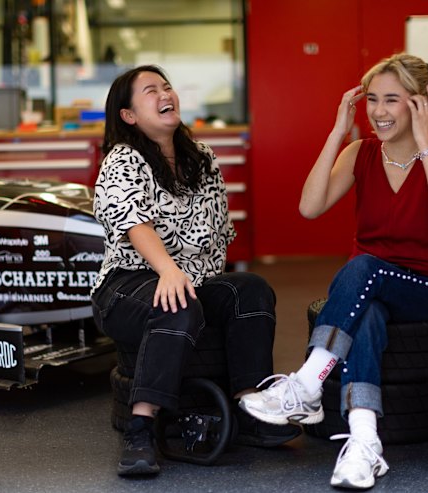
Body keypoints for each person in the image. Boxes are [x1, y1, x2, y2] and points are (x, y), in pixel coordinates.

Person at [239, 53, 428, 489]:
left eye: (392, 100)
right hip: (370, 290)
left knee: (364, 268)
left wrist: (425, 141)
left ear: (421, 103)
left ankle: (307, 383)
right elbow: (309, 207)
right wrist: (336, 133)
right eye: (372, 100)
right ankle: (364, 442)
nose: (378, 111)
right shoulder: (360, 153)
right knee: (367, 316)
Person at [91, 65, 299, 477]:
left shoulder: (201, 158)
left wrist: (208, 293)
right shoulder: (123, 159)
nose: (165, 93)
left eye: (166, 86)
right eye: (151, 90)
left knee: (250, 289)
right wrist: (169, 271)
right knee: (178, 304)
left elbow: (219, 233)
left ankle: (250, 408)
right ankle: (140, 428)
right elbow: (135, 224)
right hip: (126, 284)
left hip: (190, 280)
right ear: (129, 115)